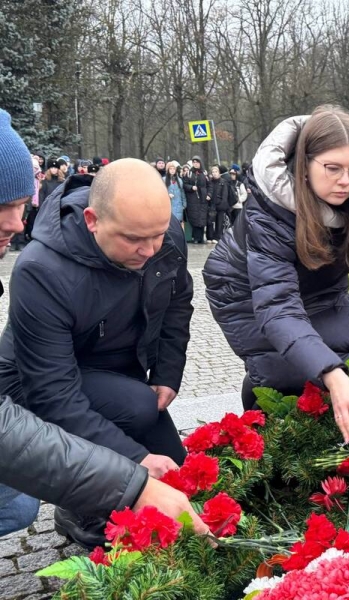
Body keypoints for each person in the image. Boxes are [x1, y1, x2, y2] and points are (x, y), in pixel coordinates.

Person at [0, 110, 206, 542]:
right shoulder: (42, 269)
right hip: (39, 383)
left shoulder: (159, 231)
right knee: (136, 417)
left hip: (119, 373)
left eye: (158, 234)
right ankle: (81, 509)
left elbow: (178, 303)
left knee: (179, 469)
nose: (151, 250)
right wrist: (133, 468)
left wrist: (168, 373)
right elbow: (54, 393)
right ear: (93, 221)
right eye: (134, 239)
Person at [203, 105, 349, 444]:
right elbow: (277, 307)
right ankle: (260, 431)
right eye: (332, 168)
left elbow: (333, 291)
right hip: (244, 289)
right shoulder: (270, 212)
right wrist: (330, 372)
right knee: (281, 369)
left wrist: (339, 370)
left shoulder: (346, 203)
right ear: (304, 165)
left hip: (312, 286)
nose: (345, 181)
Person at [184, 155, 209, 243]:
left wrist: (208, 194)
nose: (195, 164)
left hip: (203, 199)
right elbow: (185, 184)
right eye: (194, 162)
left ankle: (201, 237)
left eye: (197, 162)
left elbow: (209, 185)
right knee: (194, 218)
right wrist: (191, 188)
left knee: (201, 218)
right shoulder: (189, 173)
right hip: (193, 199)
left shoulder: (204, 173)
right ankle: (195, 237)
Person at [207, 164, 232, 241]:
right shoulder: (210, 182)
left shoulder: (223, 182)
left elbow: (225, 195)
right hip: (212, 205)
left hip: (220, 205)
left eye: (216, 171)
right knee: (210, 221)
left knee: (219, 222)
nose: (214, 173)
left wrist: (222, 205)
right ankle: (210, 236)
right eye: (213, 172)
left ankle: (217, 237)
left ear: (219, 173)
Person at [165, 160, 187, 226]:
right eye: (170, 169)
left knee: (178, 225)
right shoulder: (164, 179)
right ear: (168, 170)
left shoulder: (179, 180)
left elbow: (182, 192)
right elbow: (161, 193)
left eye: (173, 169)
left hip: (178, 206)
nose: (172, 170)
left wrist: (184, 203)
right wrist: (167, 195)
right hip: (168, 206)